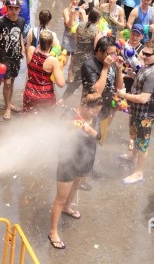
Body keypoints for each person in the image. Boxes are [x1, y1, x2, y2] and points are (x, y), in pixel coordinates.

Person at [49, 94, 103, 250]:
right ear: (85, 106)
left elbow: (98, 136)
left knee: (76, 187)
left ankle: (68, 207)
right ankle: (53, 232)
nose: (96, 114)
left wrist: (89, 129)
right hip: (68, 162)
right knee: (60, 198)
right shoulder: (69, 114)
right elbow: (58, 131)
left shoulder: (95, 118)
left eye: (98, 111)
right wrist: (73, 124)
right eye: (94, 110)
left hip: (86, 160)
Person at [116, 40, 154, 184]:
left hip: (146, 115)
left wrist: (123, 95)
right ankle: (132, 156)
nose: (144, 56)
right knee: (134, 134)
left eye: (148, 55)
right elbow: (143, 81)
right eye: (143, 53)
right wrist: (132, 76)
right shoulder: (148, 65)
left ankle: (139, 173)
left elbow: (143, 98)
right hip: (136, 111)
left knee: (142, 143)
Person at [81, 36, 124, 144]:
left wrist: (119, 69)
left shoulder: (111, 63)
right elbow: (97, 92)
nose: (112, 56)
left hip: (105, 109)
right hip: (90, 111)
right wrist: (105, 68)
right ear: (99, 51)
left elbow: (118, 87)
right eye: (109, 53)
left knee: (99, 139)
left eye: (114, 53)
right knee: (86, 142)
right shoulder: (89, 65)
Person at [58, 9, 102, 105]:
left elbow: (76, 40)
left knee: (75, 82)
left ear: (89, 16)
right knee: (87, 86)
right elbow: (96, 48)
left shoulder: (80, 25)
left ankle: (61, 100)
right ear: (98, 19)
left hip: (77, 58)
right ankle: (82, 107)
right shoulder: (97, 31)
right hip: (88, 62)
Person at [0, 0, 25, 121]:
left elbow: (20, 37)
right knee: (6, 83)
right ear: (6, 8)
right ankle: (7, 107)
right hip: (4, 56)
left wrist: (22, 49)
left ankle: (9, 103)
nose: (13, 11)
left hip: (16, 56)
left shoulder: (21, 21)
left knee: (11, 82)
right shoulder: (0, 22)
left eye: (16, 9)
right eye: (11, 8)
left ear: (19, 9)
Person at [23, 30, 65, 113]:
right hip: (45, 97)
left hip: (29, 93)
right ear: (51, 44)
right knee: (46, 121)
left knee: (28, 119)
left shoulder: (31, 50)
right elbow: (61, 84)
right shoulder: (53, 61)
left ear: (39, 41)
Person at [62, 0, 87, 82]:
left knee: (72, 63)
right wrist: (72, 14)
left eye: (77, 0)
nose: (75, 1)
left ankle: (69, 80)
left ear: (79, 0)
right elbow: (69, 26)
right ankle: (55, 77)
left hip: (77, 39)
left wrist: (82, 13)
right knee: (63, 60)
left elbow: (85, 26)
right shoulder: (66, 11)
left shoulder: (81, 11)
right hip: (67, 38)